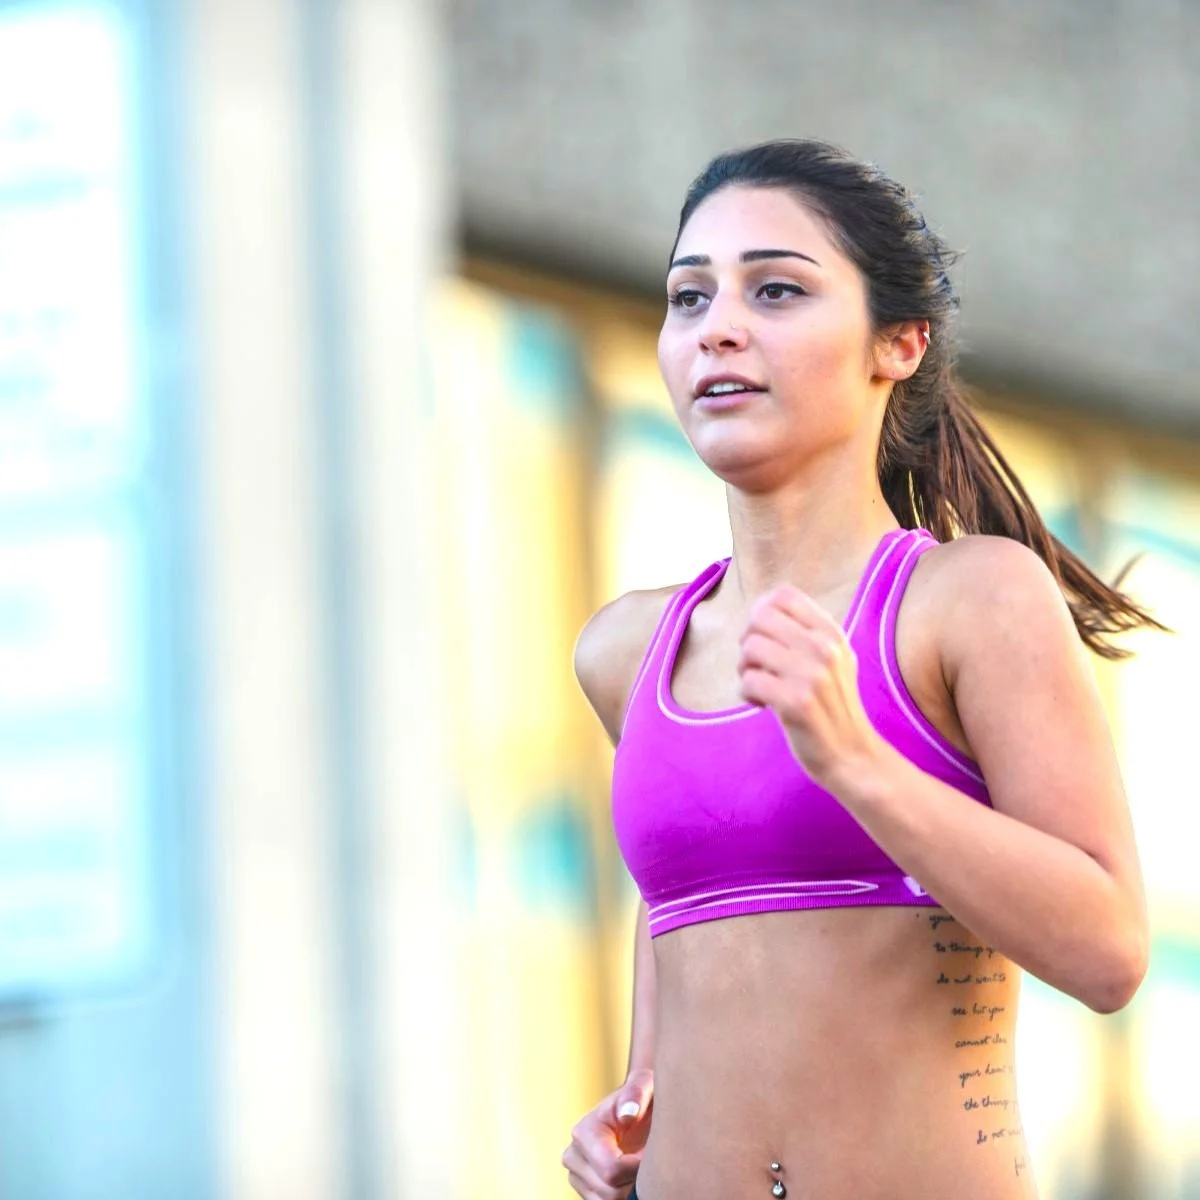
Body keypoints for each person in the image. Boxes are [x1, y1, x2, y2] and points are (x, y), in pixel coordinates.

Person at [560, 139, 1156, 1200]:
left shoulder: (969, 601)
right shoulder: (626, 652)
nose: (719, 327)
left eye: (776, 290)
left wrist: (857, 760)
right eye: (688, 299)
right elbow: (685, 915)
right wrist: (634, 1107)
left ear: (900, 343)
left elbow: (1108, 951)